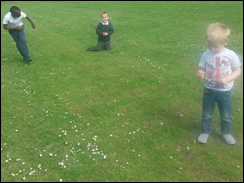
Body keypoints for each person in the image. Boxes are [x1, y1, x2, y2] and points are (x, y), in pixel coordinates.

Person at [196, 22, 241, 144]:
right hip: (209, 90)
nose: (212, 49)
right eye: (210, 45)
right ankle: (205, 132)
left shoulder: (230, 55)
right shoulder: (206, 55)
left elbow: (238, 70)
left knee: (226, 115)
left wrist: (227, 79)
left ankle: (226, 133)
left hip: (224, 92)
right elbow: (202, 68)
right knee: (207, 114)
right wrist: (200, 73)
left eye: (216, 46)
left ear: (225, 42)